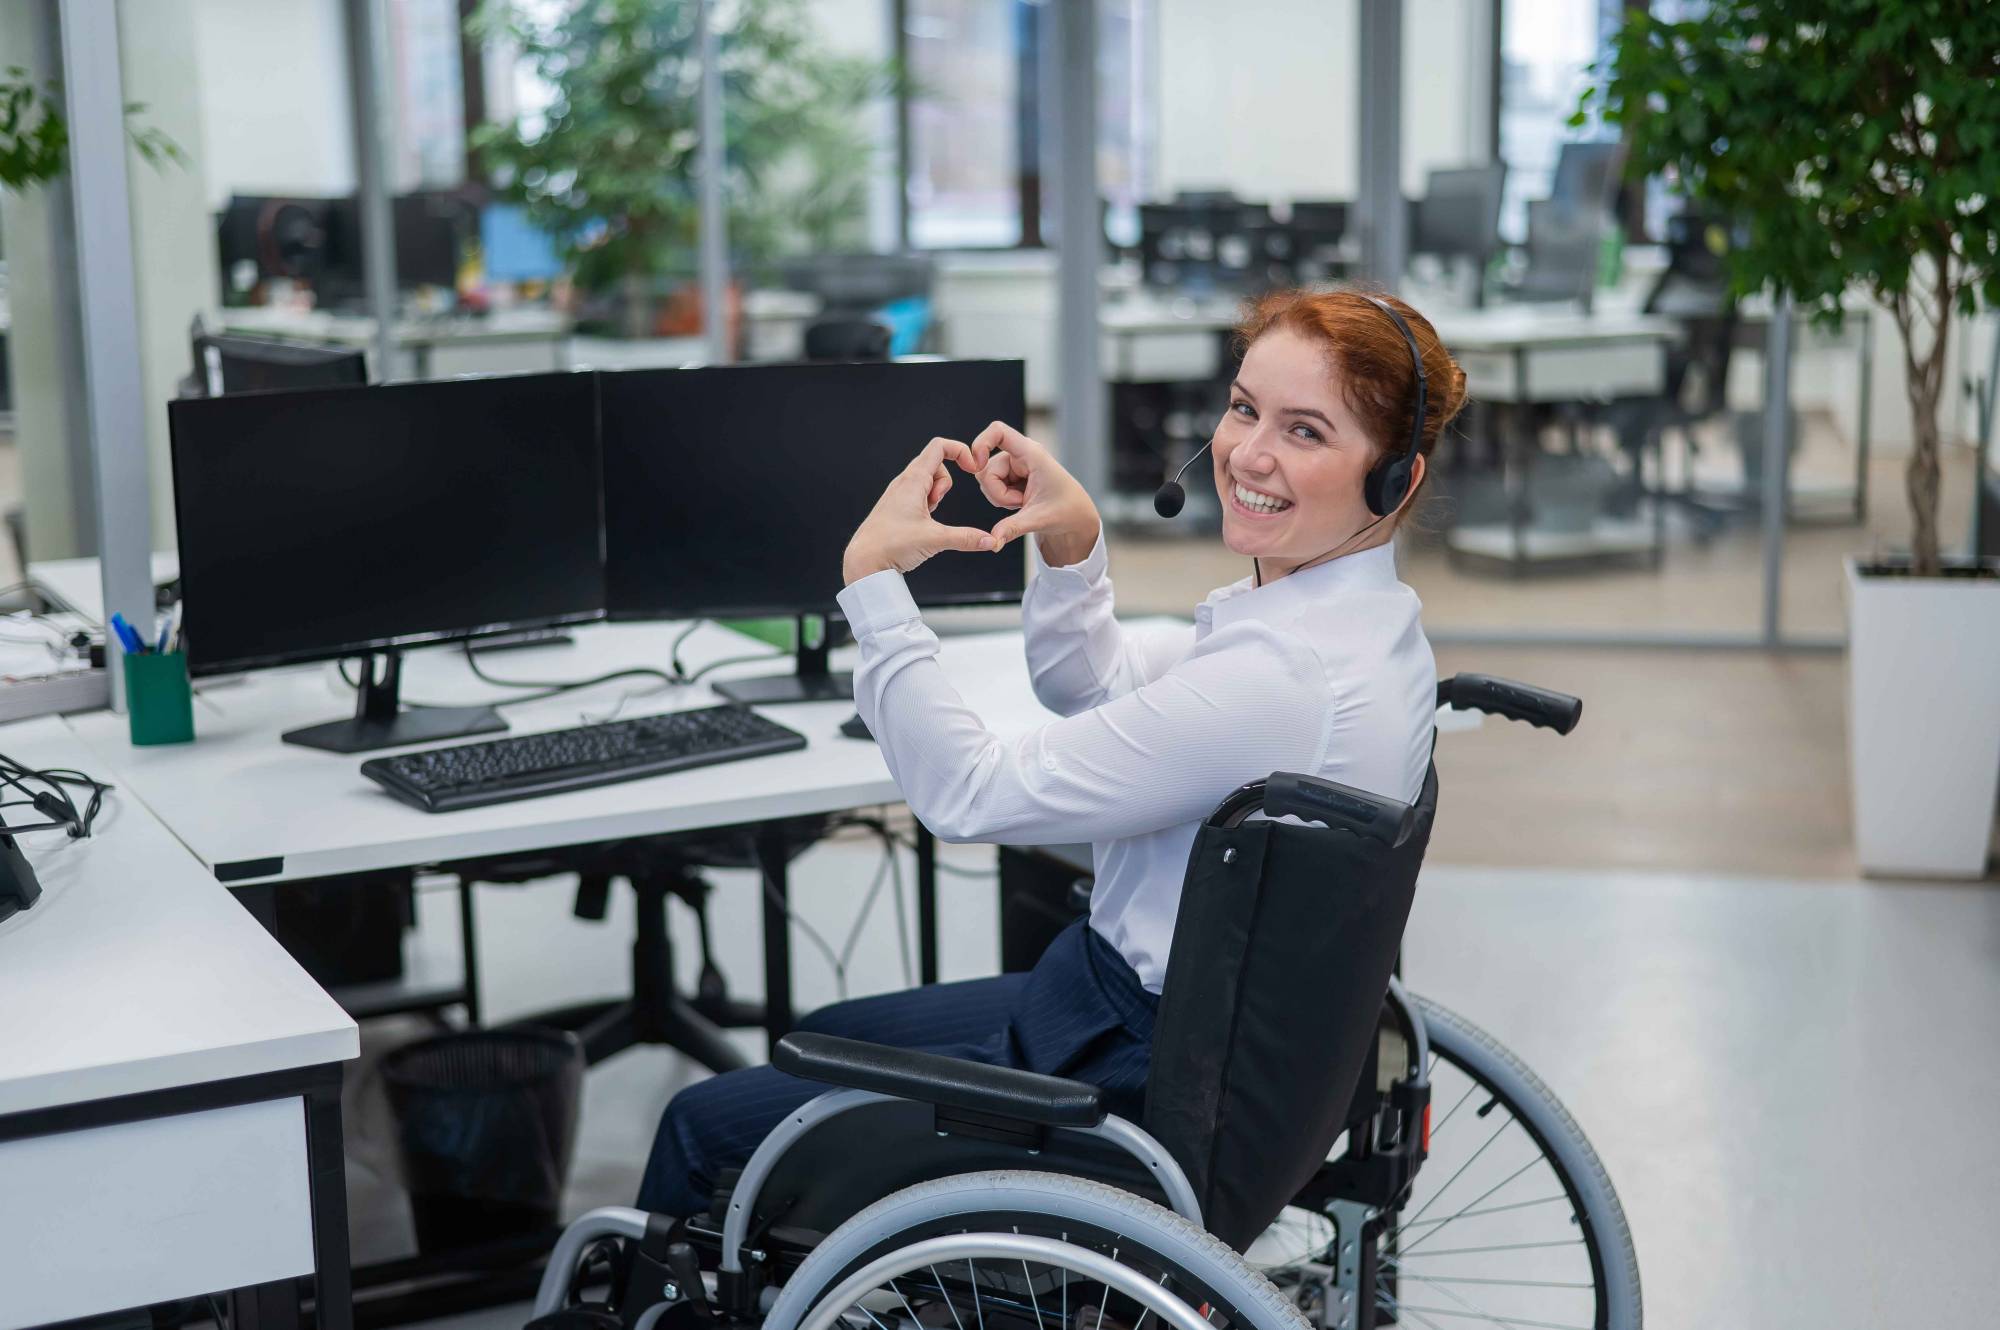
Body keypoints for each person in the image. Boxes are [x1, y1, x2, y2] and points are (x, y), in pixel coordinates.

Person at [637, 287, 1468, 1217]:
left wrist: (873, 589)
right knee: (831, 1034)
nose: (1248, 454)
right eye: (1243, 408)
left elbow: (971, 798)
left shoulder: (1288, 675)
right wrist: (1074, 546)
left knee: (701, 1129)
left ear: (1397, 478)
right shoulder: (1356, 626)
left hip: (1130, 1057)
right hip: (1173, 1022)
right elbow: (1102, 688)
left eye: (1306, 432)